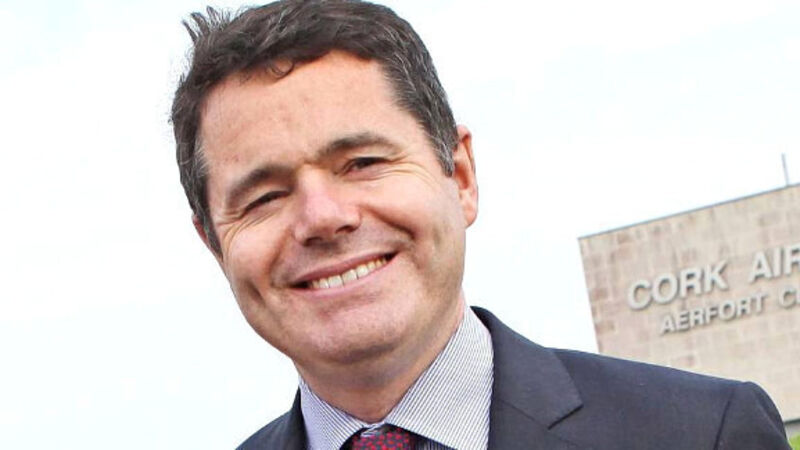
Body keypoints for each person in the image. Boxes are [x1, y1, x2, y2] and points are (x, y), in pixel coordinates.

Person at [170, 1, 790, 448]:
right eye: (266, 196)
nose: (323, 218)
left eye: (362, 163)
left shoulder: (701, 433)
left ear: (461, 176)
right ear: (215, 244)